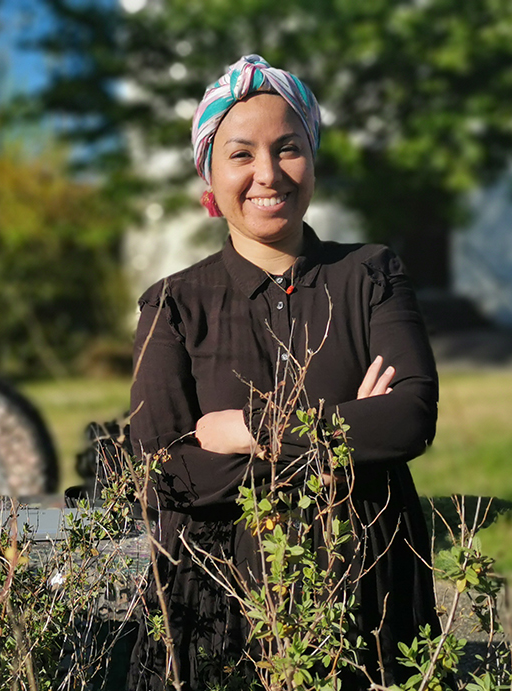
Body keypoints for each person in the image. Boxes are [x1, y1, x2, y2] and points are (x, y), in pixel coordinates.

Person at [126, 54, 441, 689]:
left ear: (313, 161)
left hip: (370, 600)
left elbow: (408, 419)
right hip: (222, 610)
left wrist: (249, 430)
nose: (268, 173)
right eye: (241, 154)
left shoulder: (371, 274)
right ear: (208, 178)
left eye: (288, 148)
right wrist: (347, 434)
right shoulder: (174, 305)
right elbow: (166, 470)